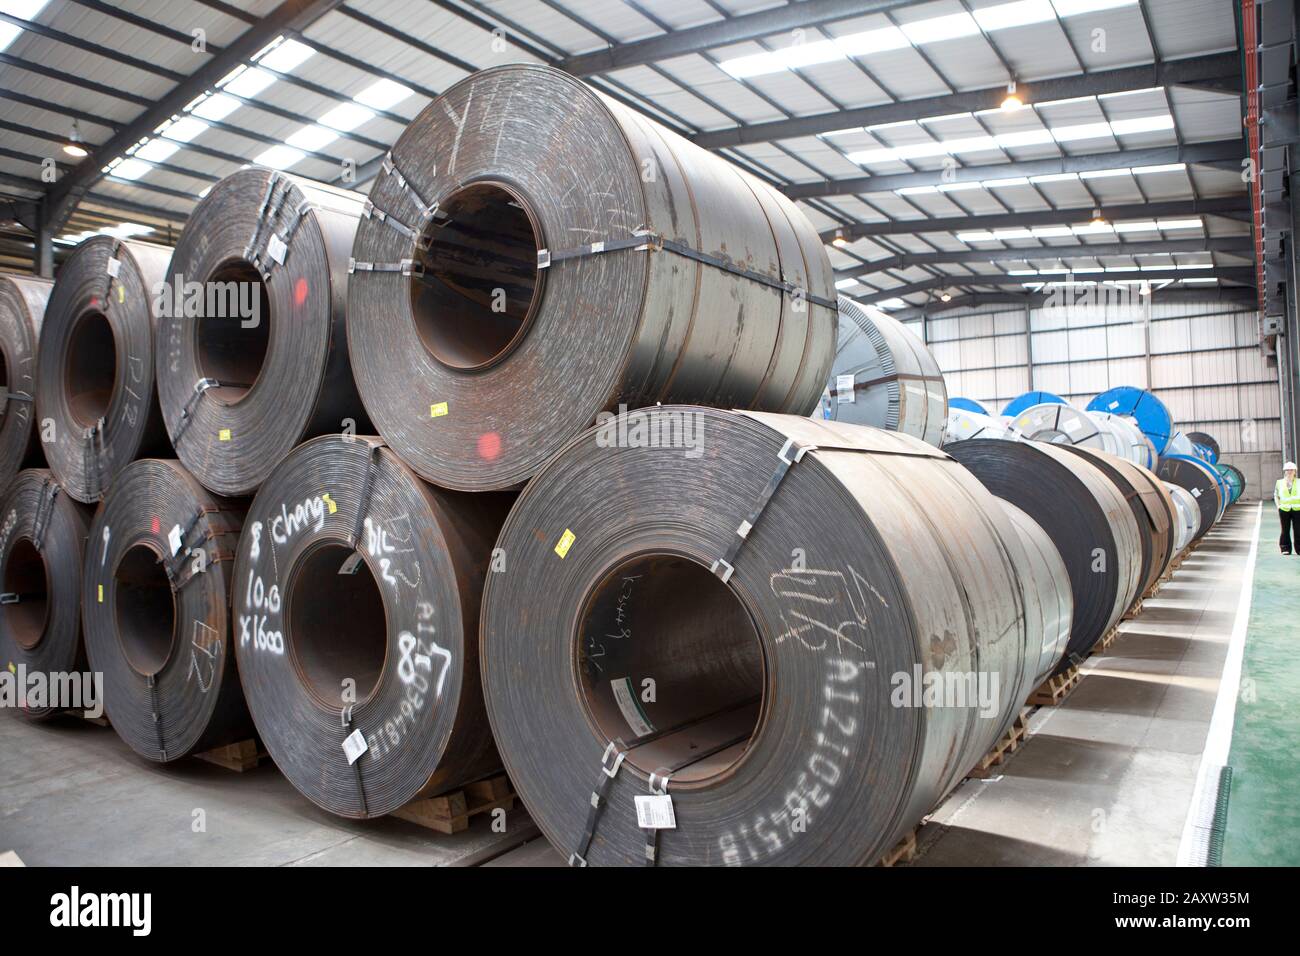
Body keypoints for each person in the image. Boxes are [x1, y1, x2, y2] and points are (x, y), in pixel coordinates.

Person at [1275, 461, 1300, 554]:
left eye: (1291, 470)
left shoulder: (1299, 482)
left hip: (1298, 510)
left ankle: (1299, 549)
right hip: (1284, 509)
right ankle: (1285, 548)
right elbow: (1276, 495)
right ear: (1284, 471)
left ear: (1295, 471)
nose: (1289, 472)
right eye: (1287, 470)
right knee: (1285, 530)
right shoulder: (1279, 482)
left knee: (1298, 530)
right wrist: (1278, 506)